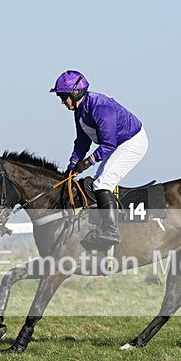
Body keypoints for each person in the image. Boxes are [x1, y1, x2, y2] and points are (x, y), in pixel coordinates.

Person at [49, 70, 148, 250]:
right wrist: (73, 164)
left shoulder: (101, 108)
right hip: (117, 144)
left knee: (102, 184)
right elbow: (82, 141)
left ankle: (110, 230)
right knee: (96, 183)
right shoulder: (79, 111)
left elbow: (108, 145)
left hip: (131, 142)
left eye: (63, 97)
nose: (62, 102)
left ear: (76, 92)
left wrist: (86, 163)